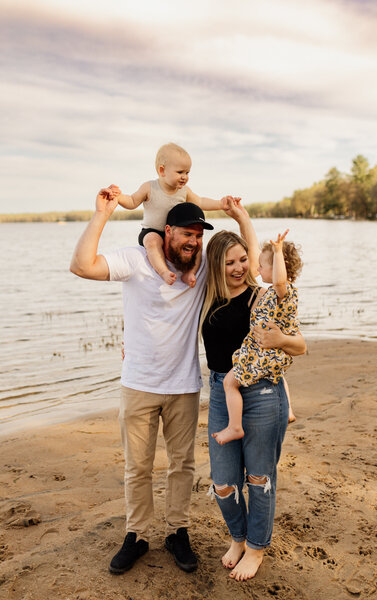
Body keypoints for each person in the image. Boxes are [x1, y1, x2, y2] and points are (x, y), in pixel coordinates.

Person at [69, 187, 252, 576]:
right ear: (166, 232)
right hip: (137, 383)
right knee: (138, 466)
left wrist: (241, 219)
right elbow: (82, 266)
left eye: (199, 235)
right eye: (187, 233)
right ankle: (136, 535)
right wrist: (102, 214)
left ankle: (177, 532)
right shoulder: (136, 260)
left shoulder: (202, 268)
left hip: (184, 385)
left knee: (182, 465)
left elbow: (248, 267)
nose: (194, 241)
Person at [200, 224, 306, 582]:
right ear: (216, 265)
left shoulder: (262, 297)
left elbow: (301, 345)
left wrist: (279, 339)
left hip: (261, 393)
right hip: (221, 390)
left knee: (259, 478)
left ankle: (256, 548)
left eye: (243, 259)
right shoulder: (205, 296)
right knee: (224, 482)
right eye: (229, 262)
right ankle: (238, 537)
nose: (238, 268)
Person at [212, 230, 302, 445]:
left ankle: (234, 426)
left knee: (229, 382)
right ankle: (288, 408)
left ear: (279, 269)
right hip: (267, 352)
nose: (257, 269)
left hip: (261, 352)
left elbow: (280, 280)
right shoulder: (273, 293)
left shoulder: (282, 290)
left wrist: (278, 251)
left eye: (262, 265)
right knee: (277, 375)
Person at [111, 142, 236, 287]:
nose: (184, 177)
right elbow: (132, 201)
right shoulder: (150, 187)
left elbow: (200, 202)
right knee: (152, 242)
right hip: (153, 231)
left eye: (187, 172)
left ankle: (190, 273)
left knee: (196, 246)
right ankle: (163, 271)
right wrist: (118, 197)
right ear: (162, 170)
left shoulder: (184, 191)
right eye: (180, 172)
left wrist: (220, 204)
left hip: (175, 234)